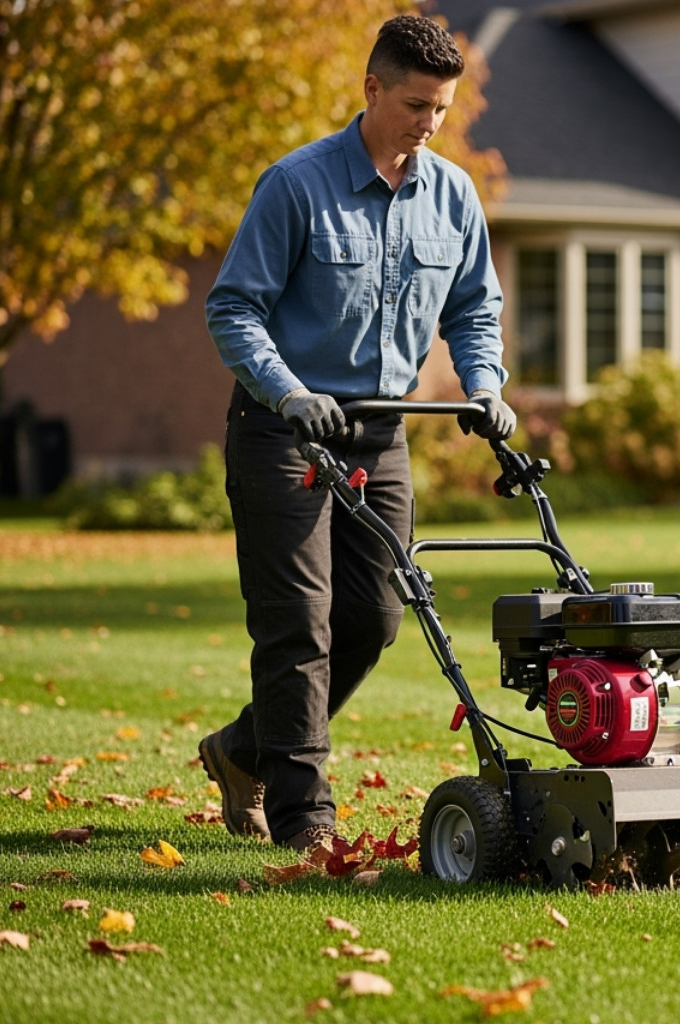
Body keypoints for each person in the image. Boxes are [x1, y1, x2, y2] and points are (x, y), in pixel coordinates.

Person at [200, 15, 514, 852]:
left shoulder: (452, 196)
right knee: (297, 621)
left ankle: (240, 748)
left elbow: (476, 310)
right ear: (372, 89)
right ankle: (304, 816)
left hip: (380, 435)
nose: (429, 123)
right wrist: (288, 390)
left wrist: (484, 388)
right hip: (284, 433)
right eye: (415, 104)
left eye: (442, 109)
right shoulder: (296, 185)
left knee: (374, 618)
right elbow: (233, 308)